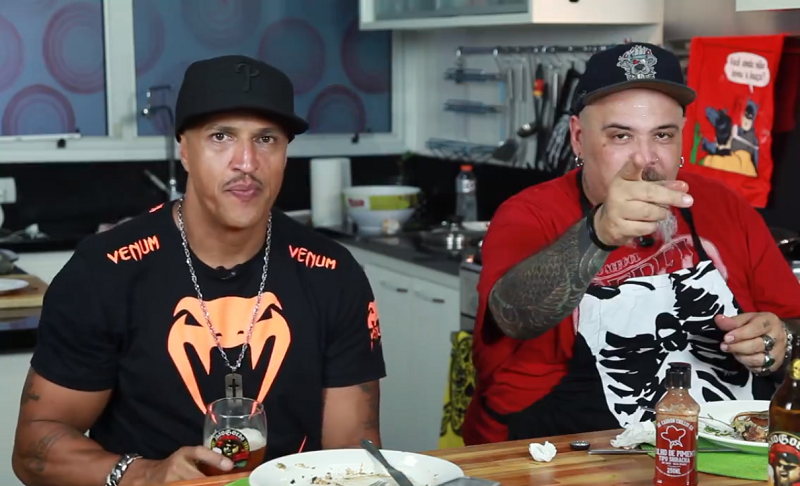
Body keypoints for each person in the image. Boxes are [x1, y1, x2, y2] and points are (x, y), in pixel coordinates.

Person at [12, 55, 386, 486]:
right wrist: (145, 475)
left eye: (266, 139)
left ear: (285, 154)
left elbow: (353, 450)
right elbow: (33, 448)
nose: (246, 162)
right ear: (184, 150)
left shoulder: (332, 272)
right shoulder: (104, 271)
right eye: (221, 136)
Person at [462, 43, 800, 445]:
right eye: (620, 135)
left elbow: (792, 324)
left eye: (662, 135)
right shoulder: (530, 215)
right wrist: (597, 233)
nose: (645, 159)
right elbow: (512, 316)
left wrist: (780, 342)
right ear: (577, 138)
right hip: (564, 455)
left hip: (724, 449)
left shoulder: (723, 206)